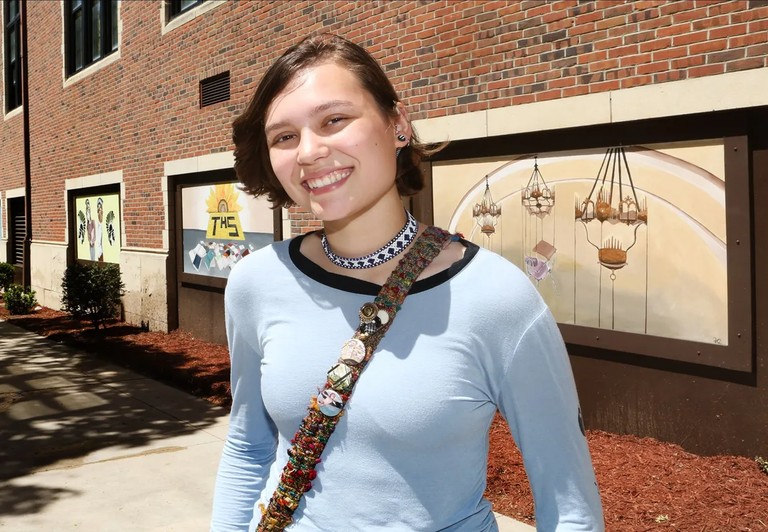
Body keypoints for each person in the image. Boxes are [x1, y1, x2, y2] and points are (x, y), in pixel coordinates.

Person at [211, 33, 604, 531]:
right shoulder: (256, 282)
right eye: (284, 137)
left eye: (334, 120)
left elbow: (568, 502)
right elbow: (247, 447)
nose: (309, 151)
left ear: (397, 125)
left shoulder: (497, 297)